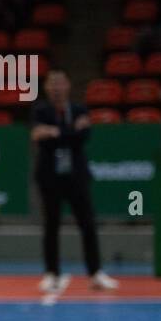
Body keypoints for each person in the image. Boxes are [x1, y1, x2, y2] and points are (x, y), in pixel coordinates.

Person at [31, 69, 118, 293]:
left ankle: (95, 273)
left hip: (76, 177)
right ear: (46, 88)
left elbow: (82, 138)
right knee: (51, 226)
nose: (57, 88)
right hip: (50, 177)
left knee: (88, 224)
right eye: (52, 84)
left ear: (68, 86)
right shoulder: (40, 111)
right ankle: (52, 274)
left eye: (60, 83)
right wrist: (67, 132)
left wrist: (55, 133)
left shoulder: (79, 109)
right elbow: (40, 138)